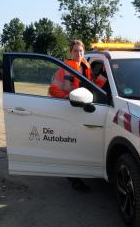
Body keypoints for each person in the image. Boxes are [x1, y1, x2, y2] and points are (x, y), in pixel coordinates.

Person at [48, 39, 92, 192]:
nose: (78, 53)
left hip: (82, 110)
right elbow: (53, 90)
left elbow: (94, 87)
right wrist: (67, 97)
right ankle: (73, 179)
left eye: (81, 51)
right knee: (71, 145)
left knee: (79, 145)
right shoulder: (64, 68)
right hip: (67, 109)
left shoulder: (87, 67)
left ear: (84, 52)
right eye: (75, 51)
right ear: (70, 52)